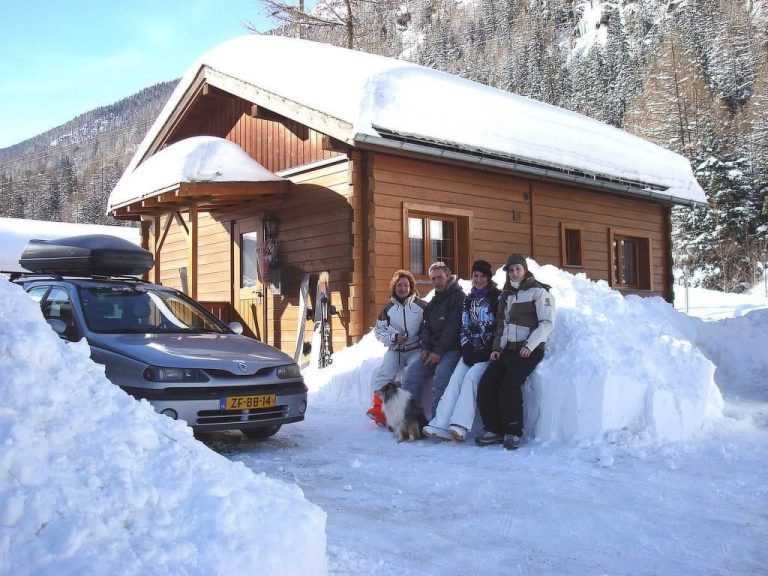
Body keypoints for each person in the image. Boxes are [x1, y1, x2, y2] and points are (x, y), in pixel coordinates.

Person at [475, 255, 555, 450]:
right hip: (508, 349)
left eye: (517, 269)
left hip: (528, 350)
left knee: (509, 387)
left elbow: (546, 323)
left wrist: (530, 345)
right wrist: (497, 349)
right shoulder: (507, 294)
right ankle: (493, 430)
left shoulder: (539, 292)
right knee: (486, 385)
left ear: (525, 270)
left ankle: (513, 432)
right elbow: (502, 324)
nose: (514, 273)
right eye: (511, 271)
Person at [423, 260, 501, 441]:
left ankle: (459, 426)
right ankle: (440, 424)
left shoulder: (496, 297)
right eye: (476, 276)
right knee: (456, 378)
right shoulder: (469, 300)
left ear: (488, 277)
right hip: (471, 351)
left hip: (488, 353)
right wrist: (466, 348)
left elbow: (499, 327)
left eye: (482, 276)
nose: (479, 279)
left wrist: (486, 350)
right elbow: (464, 326)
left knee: (471, 378)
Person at [402, 262, 464, 418]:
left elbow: (453, 327)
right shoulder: (433, 302)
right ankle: (413, 421)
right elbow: (426, 328)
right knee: (411, 374)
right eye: (433, 279)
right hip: (434, 351)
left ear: (448, 277)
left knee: (440, 378)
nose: (436, 282)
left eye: (439, 278)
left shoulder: (458, 298)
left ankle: (438, 421)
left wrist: (438, 351)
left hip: (452, 350)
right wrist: (425, 349)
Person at [372, 270, 427, 389]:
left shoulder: (422, 306)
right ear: (394, 287)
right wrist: (395, 337)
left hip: (416, 350)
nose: (403, 288)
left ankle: (410, 406)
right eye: (399, 285)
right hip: (396, 350)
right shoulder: (388, 309)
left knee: (412, 374)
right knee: (383, 375)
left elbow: (429, 327)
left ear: (411, 286)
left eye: (406, 285)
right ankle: (378, 406)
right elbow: (379, 332)